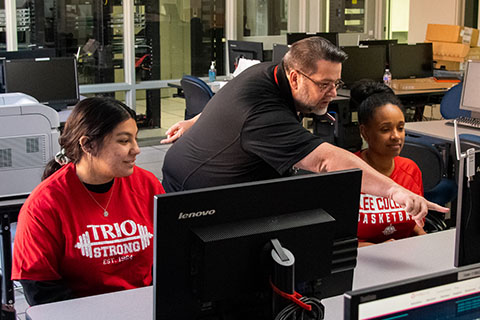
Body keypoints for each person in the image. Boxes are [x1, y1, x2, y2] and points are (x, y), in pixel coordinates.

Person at [161, 37, 448, 227]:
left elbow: (230, 101)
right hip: (195, 195)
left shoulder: (269, 72)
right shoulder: (264, 113)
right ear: (295, 77)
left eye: (336, 83)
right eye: (324, 84)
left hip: (218, 178)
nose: (333, 93)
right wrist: (393, 190)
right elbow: (325, 161)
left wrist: (197, 120)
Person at [12, 97, 165, 306]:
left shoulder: (147, 184)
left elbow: (167, 255)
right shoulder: (44, 204)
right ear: (87, 145)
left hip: (142, 306)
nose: (136, 149)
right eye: (124, 140)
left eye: (135, 139)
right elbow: (40, 289)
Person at [350, 80, 426, 247]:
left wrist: (427, 243)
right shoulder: (348, 172)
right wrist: (381, 249)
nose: (396, 136)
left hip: (404, 258)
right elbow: (337, 241)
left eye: (400, 128)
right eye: (385, 129)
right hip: (363, 261)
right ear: (365, 132)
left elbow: (415, 224)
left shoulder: (410, 169)